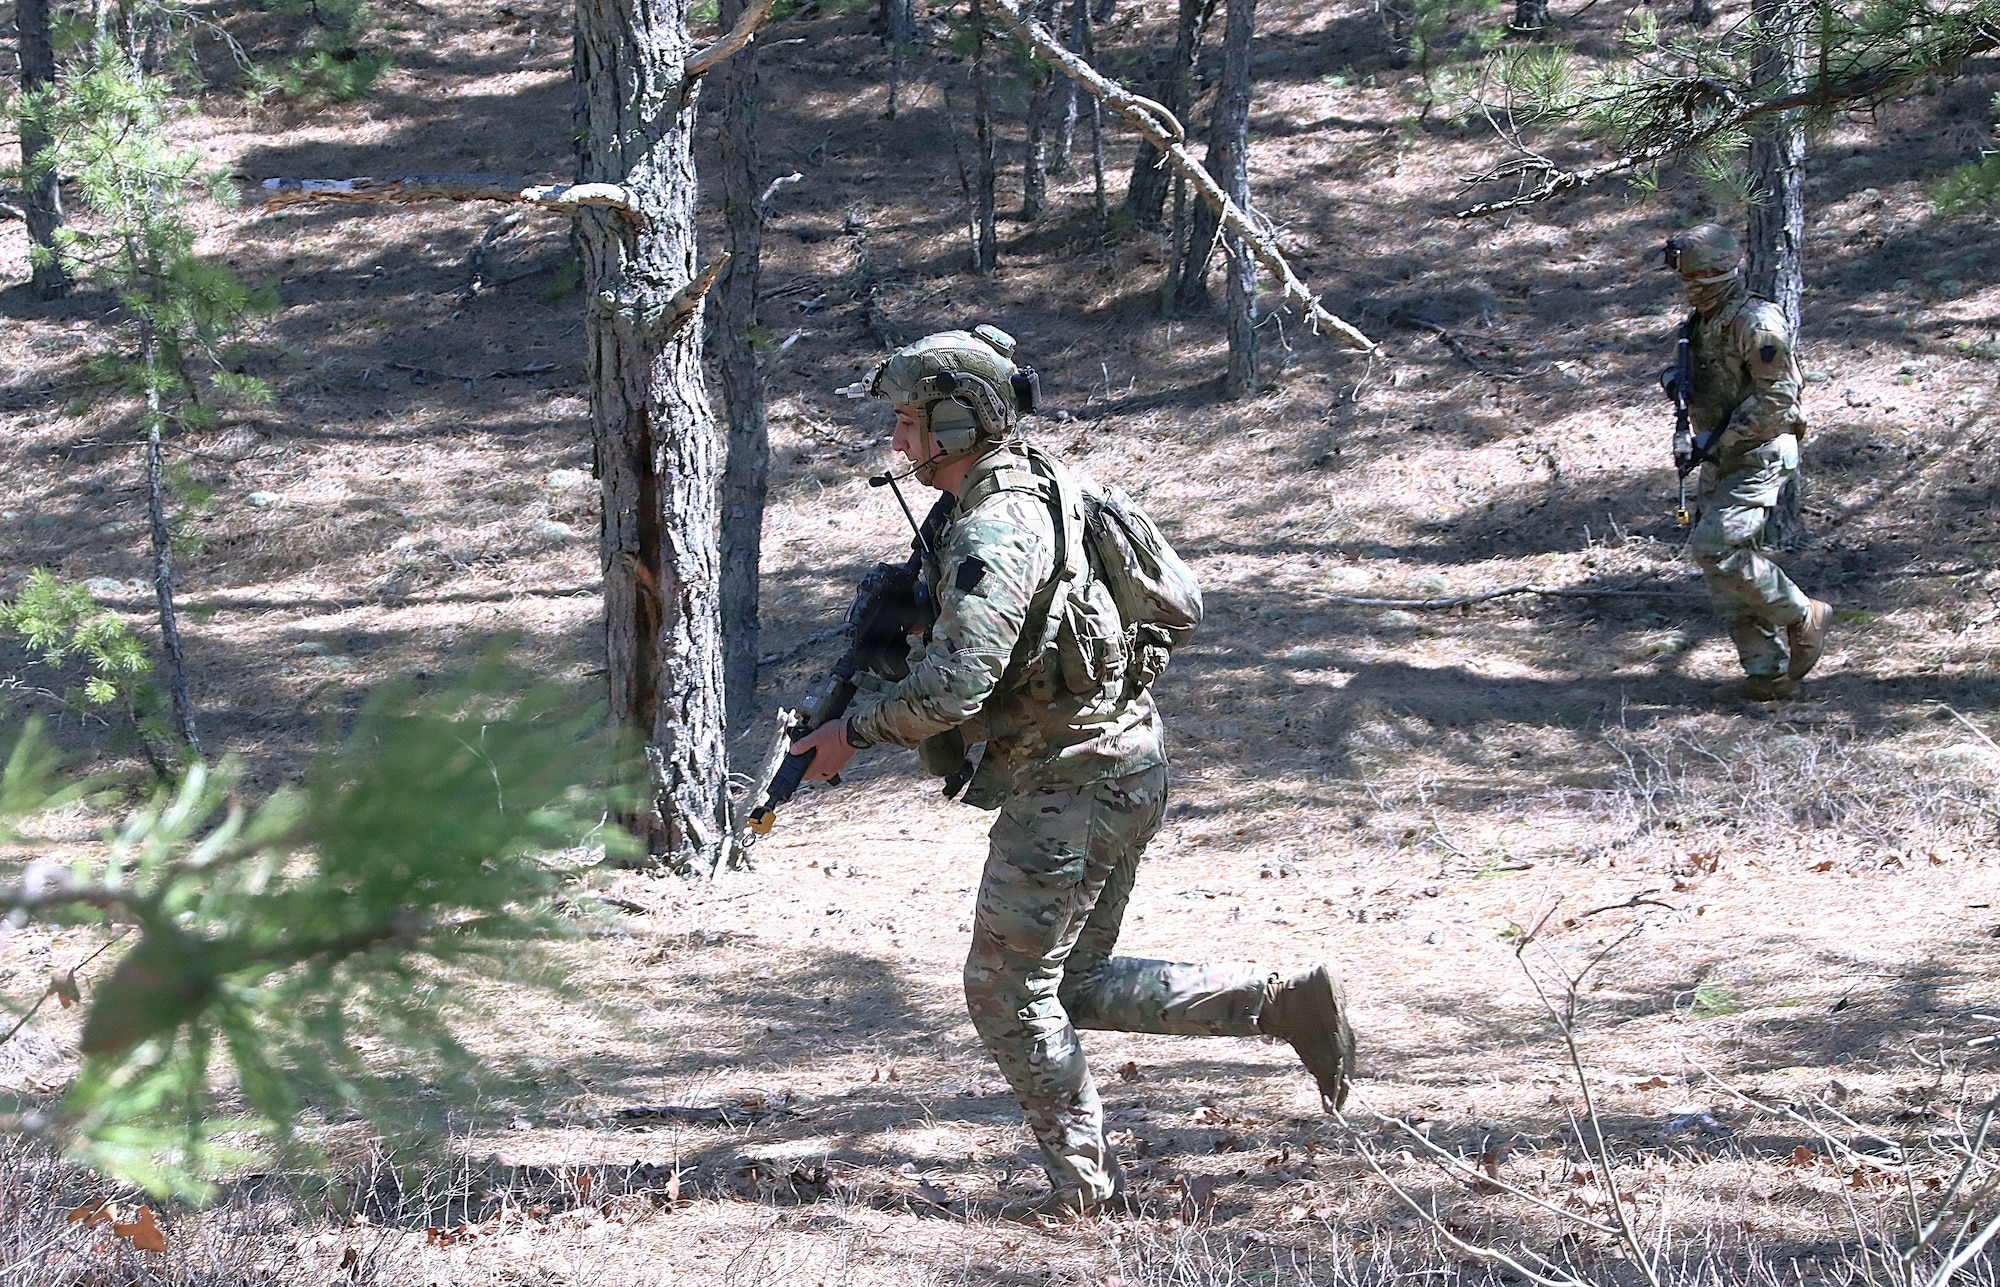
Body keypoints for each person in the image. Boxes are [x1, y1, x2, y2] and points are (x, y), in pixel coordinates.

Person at [789, 325, 1355, 1220]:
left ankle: (1081, 1194)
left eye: (907, 421)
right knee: (1073, 983)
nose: (896, 442)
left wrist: (855, 731)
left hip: (1074, 781)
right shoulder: (1038, 487)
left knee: (1006, 988)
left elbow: (957, 684)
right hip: (1117, 763)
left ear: (956, 419)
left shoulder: (998, 523)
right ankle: (1283, 1004)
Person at [1662, 223, 1830, 701]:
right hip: (1724, 451)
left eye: (1694, 276)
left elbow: (1778, 398)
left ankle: (1802, 615)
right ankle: (1766, 670)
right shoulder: (1702, 322)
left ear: (1715, 272)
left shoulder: (1755, 322)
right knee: (1724, 567)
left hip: (1759, 450)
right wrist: (1675, 379)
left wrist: (1719, 437)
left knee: (1715, 548)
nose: (1687, 286)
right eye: (1684, 277)